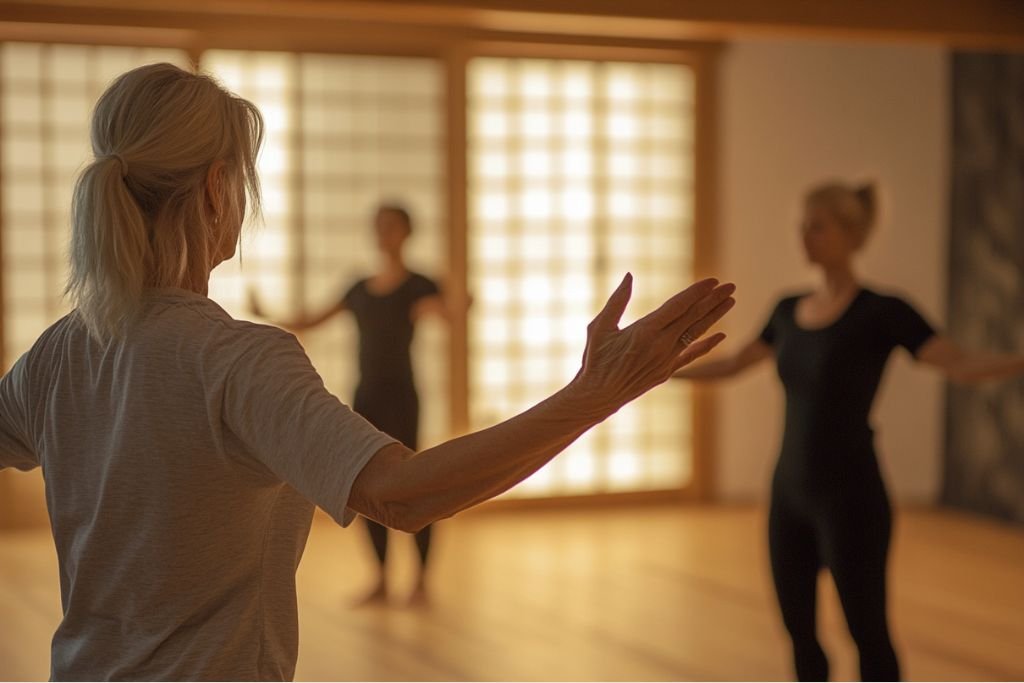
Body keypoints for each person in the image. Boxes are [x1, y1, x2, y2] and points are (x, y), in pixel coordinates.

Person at [0, 62, 735, 681]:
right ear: (217, 190)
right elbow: (403, 495)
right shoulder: (235, 358)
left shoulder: (56, 354)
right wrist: (590, 397)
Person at [673, 181, 1024, 681]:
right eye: (803, 225)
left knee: (868, 633)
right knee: (799, 633)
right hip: (788, 494)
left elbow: (959, 362)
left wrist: (1018, 361)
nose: (804, 235)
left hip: (852, 498)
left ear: (852, 235)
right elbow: (732, 365)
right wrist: (657, 371)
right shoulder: (786, 309)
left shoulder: (882, 312)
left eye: (818, 226)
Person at [249, 203, 455, 605]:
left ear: (407, 233)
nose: (384, 233)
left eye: (391, 226)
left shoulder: (418, 286)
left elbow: (450, 315)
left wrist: (456, 292)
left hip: (403, 397)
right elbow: (313, 319)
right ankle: (380, 577)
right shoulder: (359, 288)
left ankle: (421, 580)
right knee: (367, 485)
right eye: (379, 226)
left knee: (416, 481)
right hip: (367, 397)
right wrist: (269, 314)